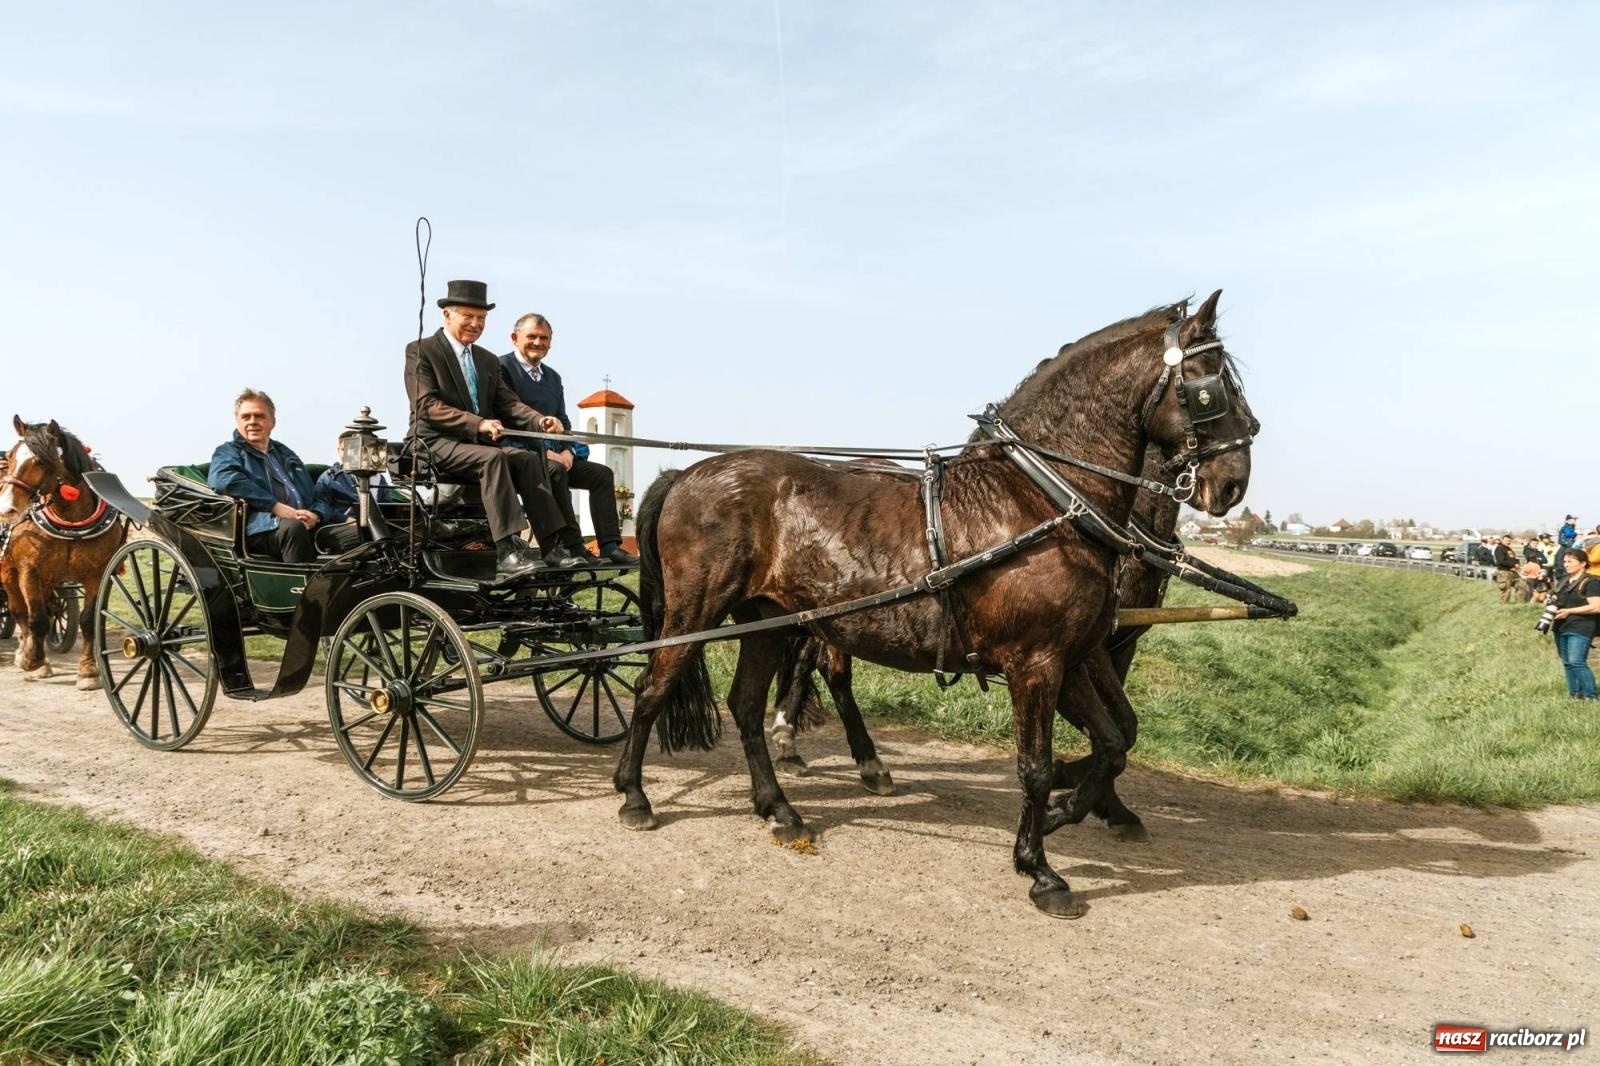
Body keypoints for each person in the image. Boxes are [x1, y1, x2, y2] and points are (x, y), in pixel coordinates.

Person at [404, 280, 580, 579]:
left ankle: (552, 547)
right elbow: (426, 405)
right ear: (447, 315)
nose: (475, 324)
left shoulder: (485, 359)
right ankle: (506, 551)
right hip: (433, 442)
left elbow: (507, 402)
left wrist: (539, 420)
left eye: (481, 319)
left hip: (476, 444)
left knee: (527, 460)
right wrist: (478, 423)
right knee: (494, 459)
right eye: (468, 317)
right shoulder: (422, 351)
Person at [498, 313, 636, 565]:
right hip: (518, 456)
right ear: (514, 338)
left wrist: (567, 451)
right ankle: (572, 546)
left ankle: (609, 545)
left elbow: (564, 421)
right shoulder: (501, 369)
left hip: (555, 454)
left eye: (544, 338)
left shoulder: (553, 377)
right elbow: (505, 415)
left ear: (551, 342)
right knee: (555, 471)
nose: (538, 342)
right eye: (531, 336)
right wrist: (544, 454)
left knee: (602, 474)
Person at [209, 388, 348, 563]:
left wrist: (316, 515)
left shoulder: (285, 453)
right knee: (293, 528)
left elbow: (315, 493)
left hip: (304, 523)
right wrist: (276, 507)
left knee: (359, 533)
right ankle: (302, 589)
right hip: (260, 528)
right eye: (246, 417)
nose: (252, 422)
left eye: (259, 416)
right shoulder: (227, 451)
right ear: (237, 421)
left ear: (272, 422)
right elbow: (223, 480)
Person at [1549, 549, 1600, 700]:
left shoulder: (1591, 582)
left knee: (1577, 661)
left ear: (1583, 563)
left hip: (1581, 627)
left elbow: (1596, 606)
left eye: (1570, 561)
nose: (1566, 565)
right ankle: (1575, 695)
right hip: (1560, 627)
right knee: (1567, 662)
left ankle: (1591, 696)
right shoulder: (1564, 581)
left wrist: (1570, 611)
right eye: (1565, 561)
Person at [1492, 536, 1520, 603]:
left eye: (1509, 540)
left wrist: (1517, 564)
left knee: (1522, 586)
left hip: (1513, 572)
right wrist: (1513, 565)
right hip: (1504, 572)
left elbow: (1514, 558)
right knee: (1506, 590)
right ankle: (1503, 607)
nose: (1508, 542)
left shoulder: (1509, 549)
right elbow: (1501, 561)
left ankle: (1520, 604)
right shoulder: (1499, 549)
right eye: (1506, 540)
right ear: (1502, 540)